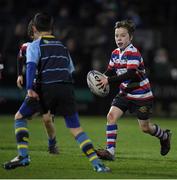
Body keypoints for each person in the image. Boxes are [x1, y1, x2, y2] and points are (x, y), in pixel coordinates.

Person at [3, 12, 110, 172]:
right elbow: (70, 70)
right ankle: (98, 164)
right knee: (75, 129)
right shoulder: (63, 47)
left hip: (46, 88)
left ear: (34, 28)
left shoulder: (34, 45)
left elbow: (31, 66)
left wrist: (30, 89)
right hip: (67, 88)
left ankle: (23, 156)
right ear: (51, 28)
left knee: (19, 118)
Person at [95, 20, 172, 161]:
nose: (119, 38)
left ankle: (165, 136)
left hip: (142, 96)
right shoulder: (115, 53)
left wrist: (108, 81)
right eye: (116, 35)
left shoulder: (133, 53)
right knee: (111, 117)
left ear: (130, 38)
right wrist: (103, 77)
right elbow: (111, 70)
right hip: (124, 93)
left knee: (145, 128)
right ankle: (110, 152)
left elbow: (130, 74)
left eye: (123, 35)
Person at [16, 20, 59, 154]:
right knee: (19, 117)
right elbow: (20, 57)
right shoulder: (27, 47)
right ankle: (23, 153)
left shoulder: (50, 47)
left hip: (48, 89)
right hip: (34, 90)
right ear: (33, 32)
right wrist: (19, 75)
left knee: (47, 120)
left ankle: (52, 144)